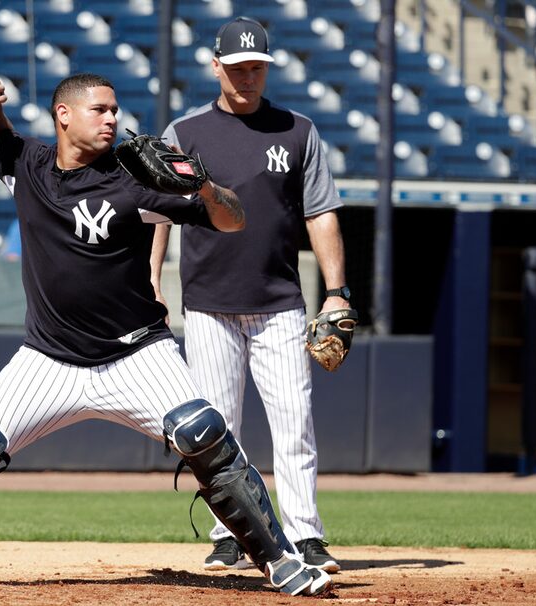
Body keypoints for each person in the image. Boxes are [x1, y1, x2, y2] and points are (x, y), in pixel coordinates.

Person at [0, 72, 332, 597]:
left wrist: (205, 187)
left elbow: (233, 222)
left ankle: (280, 559)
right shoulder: (28, 166)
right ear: (64, 115)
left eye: (115, 110)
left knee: (202, 432)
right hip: (49, 358)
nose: (113, 118)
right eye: (100, 109)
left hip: (137, 352)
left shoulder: (136, 175)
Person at [150, 17, 348, 574]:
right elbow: (157, 213)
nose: (247, 76)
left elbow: (321, 213)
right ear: (216, 66)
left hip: (280, 301)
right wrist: (150, 281)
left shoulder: (297, 131)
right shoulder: (185, 132)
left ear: (267, 66)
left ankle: (306, 537)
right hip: (208, 300)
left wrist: (337, 292)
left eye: (256, 66)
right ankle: (228, 535)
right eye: (237, 67)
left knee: (295, 422)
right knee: (218, 429)